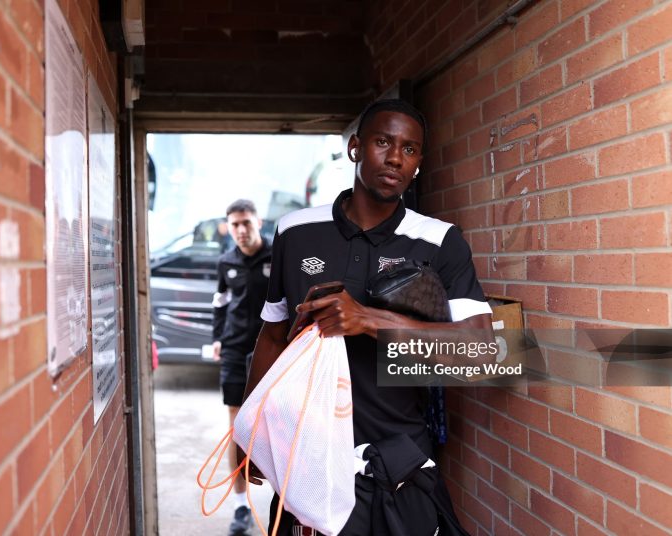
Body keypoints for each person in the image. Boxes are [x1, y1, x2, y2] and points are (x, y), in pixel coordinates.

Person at [241, 99, 494, 535]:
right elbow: (272, 335)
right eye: (383, 142)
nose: (396, 157)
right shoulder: (296, 230)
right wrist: (250, 436)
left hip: (398, 460)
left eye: (410, 150)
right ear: (355, 148)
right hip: (307, 455)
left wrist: (368, 320)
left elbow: (481, 352)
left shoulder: (439, 240)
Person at [212, 199, 272, 536]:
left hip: (271, 351)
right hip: (235, 351)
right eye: (235, 224)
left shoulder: (277, 257)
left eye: (246, 223)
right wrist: (218, 338)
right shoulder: (225, 262)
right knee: (238, 431)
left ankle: (286, 502)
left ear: (258, 222)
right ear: (228, 227)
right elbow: (219, 304)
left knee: (279, 427)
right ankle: (240, 507)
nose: (241, 230)